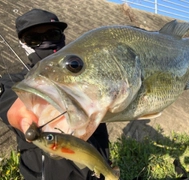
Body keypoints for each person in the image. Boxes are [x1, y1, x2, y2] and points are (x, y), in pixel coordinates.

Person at [0, 9, 110, 180]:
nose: (46, 43)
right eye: (34, 39)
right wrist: (22, 116)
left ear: (62, 36)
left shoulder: (87, 73)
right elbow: (10, 105)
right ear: (23, 43)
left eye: (53, 34)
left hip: (95, 171)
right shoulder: (12, 82)